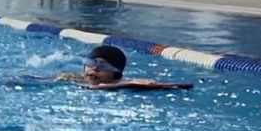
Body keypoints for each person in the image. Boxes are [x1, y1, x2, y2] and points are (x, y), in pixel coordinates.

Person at [54, 45, 193, 90]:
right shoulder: (71, 78)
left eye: (103, 66)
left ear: (116, 74)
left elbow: (183, 85)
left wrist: (138, 84)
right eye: (91, 63)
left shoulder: (122, 84)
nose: (94, 69)